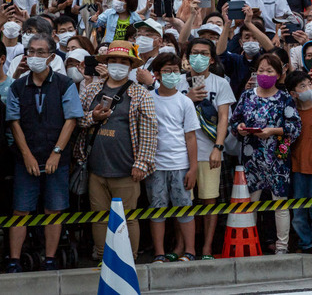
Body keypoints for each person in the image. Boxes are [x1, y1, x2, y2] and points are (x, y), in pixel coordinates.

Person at [5, 34, 84, 272]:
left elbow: (71, 120)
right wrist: (27, 155)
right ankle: (14, 260)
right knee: (20, 209)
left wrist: (57, 152)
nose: (35, 56)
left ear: (51, 56)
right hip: (25, 159)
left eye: (41, 52)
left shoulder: (64, 84)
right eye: (31, 51)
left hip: (57, 159)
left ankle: (50, 259)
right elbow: (14, 122)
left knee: (54, 208)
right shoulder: (17, 86)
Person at [75, 40, 157, 261]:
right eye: (114, 60)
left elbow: (149, 132)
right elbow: (76, 120)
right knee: (99, 217)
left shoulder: (140, 94)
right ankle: (103, 257)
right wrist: (93, 117)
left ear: (131, 66)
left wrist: (141, 164)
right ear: (106, 62)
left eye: (124, 61)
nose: (118, 65)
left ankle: (129, 258)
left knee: (128, 218)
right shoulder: (92, 89)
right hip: (96, 168)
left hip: (127, 170)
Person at [229, 54, 302, 254]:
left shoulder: (285, 98)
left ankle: (282, 247)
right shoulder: (247, 96)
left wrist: (273, 131)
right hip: (251, 159)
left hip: (277, 158)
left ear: (279, 74)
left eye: (269, 71)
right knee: (250, 203)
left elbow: (294, 127)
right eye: (261, 70)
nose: (264, 74)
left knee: (280, 203)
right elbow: (234, 123)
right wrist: (241, 128)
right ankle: (249, 245)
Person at [177, 38, 236, 259]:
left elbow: (223, 118)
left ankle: (207, 247)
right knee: (183, 201)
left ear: (211, 59)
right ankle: (182, 246)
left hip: (208, 150)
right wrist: (187, 99)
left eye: (203, 53)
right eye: (194, 53)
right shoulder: (178, 82)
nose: (198, 57)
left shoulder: (221, 83)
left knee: (209, 200)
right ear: (187, 57)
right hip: (180, 153)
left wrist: (218, 147)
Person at [148, 52, 199, 263]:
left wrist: (193, 168)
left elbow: (191, 137)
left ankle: (190, 251)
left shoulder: (185, 102)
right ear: (157, 74)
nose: (172, 74)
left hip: (180, 164)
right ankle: (159, 253)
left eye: (175, 71)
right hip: (155, 165)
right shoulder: (147, 98)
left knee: (184, 208)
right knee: (156, 209)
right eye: (167, 71)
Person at [285, 70, 312, 254]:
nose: (308, 89)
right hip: (296, 169)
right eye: (302, 86)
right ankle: (305, 244)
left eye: (309, 84)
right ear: (293, 94)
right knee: (299, 213)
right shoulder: (290, 114)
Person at [130, 19, 165, 89]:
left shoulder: (165, 62)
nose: (142, 38)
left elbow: (170, 94)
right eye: (139, 34)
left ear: (160, 41)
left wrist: (151, 83)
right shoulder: (129, 59)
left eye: (148, 35)